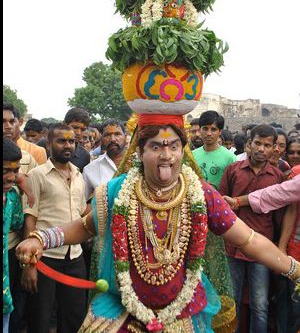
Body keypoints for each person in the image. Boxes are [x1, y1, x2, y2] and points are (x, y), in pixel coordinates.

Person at [16, 122, 300, 333]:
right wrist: (42, 238)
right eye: (156, 146)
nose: (166, 155)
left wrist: (294, 269)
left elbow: (248, 239)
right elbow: (84, 227)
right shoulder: (117, 191)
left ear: (182, 151)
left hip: (183, 314)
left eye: (173, 146)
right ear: (140, 152)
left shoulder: (199, 194)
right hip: (124, 312)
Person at [21, 123, 88, 333]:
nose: (67, 145)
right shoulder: (37, 175)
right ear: (49, 144)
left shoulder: (79, 175)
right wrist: (29, 264)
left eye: (71, 141)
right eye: (61, 141)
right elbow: (30, 219)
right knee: (40, 320)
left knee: (73, 317)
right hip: (44, 258)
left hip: (75, 256)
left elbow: (80, 213)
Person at [219, 124, 285, 333]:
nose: (261, 149)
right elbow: (222, 206)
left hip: (262, 249)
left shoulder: (277, 177)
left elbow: (278, 217)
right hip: (233, 247)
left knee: (260, 304)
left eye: (267, 145)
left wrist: (276, 245)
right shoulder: (233, 171)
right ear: (249, 144)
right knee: (233, 301)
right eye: (257, 143)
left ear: (275, 148)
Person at [3, 138, 24, 333]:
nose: (11, 177)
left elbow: (18, 223)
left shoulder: (11, 197)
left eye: (15, 171)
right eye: (5, 171)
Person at [83, 119, 127, 201]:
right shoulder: (90, 169)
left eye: (117, 134)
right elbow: (82, 204)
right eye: (107, 135)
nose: (113, 139)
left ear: (125, 136)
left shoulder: (140, 162)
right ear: (101, 138)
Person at [193, 110, 236, 189]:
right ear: (200, 130)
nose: (209, 133)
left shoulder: (230, 158)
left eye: (213, 129)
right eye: (205, 129)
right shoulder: (192, 155)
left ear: (220, 132)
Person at [64, 107, 90, 172]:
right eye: (75, 127)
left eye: (83, 129)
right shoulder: (46, 146)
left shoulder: (84, 155)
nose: (78, 133)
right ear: (64, 125)